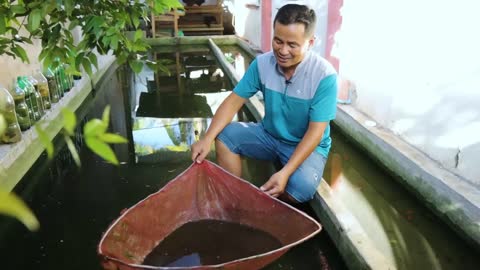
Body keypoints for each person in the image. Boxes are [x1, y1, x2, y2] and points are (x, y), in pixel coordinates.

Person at [191, 3, 338, 204]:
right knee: (225, 136)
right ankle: (235, 198)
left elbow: (316, 132)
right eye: (278, 41)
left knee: (301, 189)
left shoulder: (324, 75)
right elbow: (233, 101)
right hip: (270, 136)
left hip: (306, 145)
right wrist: (207, 138)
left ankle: (275, 205)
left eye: (292, 45)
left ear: (310, 42)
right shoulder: (262, 64)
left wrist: (285, 173)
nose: (283, 50)